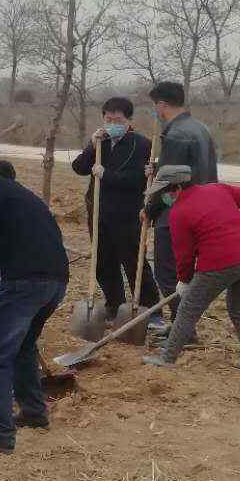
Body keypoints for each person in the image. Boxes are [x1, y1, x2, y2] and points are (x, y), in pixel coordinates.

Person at [0, 159, 69, 454]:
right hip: (57, 282)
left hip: (26, 282)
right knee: (23, 345)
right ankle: (34, 412)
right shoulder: (28, 198)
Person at [141, 166, 240, 371]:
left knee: (187, 309)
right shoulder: (217, 189)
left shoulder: (179, 212)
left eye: (164, 192)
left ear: (176, 187)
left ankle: (167, 358)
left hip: (219, 265)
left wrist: (184, 280)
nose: (163, 197)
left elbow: (184, 255)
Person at [70, 97, 158, 321]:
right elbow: (79, 168)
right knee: (103, 261)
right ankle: (114, 304)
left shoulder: (143, 144)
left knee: (133, 260)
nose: (111, 123)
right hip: (98, 211)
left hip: (126, 213)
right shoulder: (101, 141)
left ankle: (151, 309)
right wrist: (92, 145)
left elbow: (139, 179)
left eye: (117, 119)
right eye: (108, 119)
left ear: (128, 120)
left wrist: (107, 175)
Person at [147, 81, 218, 339]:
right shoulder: (200, 128)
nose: (155, 110)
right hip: (202, 209)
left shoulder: (176, 134)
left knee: (169, 273)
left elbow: (168, 181)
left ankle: (183, 329)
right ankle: (182, 325)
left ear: (162, 104)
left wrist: (150, 208)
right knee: (186, 273)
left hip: (175, 214)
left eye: (155, 105)